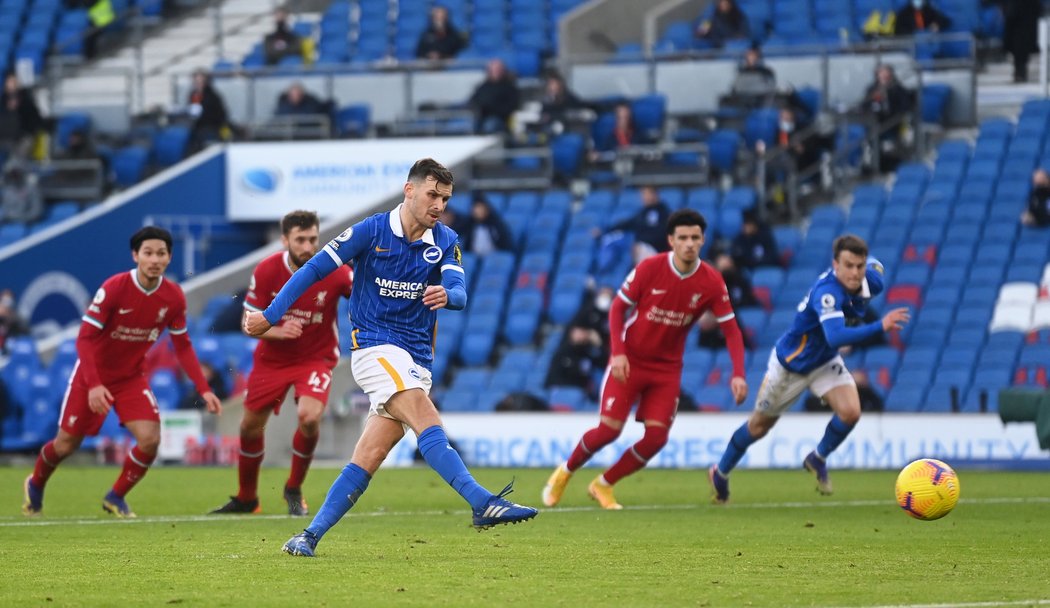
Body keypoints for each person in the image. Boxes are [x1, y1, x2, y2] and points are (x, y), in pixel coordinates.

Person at [243, 158, 537, 557]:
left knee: (369, 455)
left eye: (445, 198)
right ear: (409, 190)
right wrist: (271, 315)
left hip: (417, 356)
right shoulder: (370, 231)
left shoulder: (446, 239)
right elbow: (314, 269)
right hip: (374, 348)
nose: (438, 204)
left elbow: (461, 292)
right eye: (432, 194)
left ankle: (307, 536)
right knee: (425, 415)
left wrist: (448, 295)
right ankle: (482, 501)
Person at [542, 209, 749, 510]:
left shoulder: (712, 282)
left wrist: (739, 373)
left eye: (695, 237)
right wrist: (618, 354)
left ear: (703, 240)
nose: (689, 243)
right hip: (631, 360)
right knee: (609, 430)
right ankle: (565, 472)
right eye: (683, 238)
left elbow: (731, 330)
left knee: (656, 439)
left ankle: (604, 484)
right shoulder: (650, 268)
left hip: (667, 369)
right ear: (671, 240)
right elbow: (616, 309)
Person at [21, 227, 223, 518]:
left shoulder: (174, 297)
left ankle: (116, 496)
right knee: (66, 444)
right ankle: (36, 482)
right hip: (93, 376)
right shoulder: (115, 287)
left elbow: (183, 346)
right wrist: (93, 385)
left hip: (130, 378)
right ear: (135, 256)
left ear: (169, 257)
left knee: (150, 439)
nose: (155, 259)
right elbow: (85, 338)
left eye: (161, 253)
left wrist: (204, 388)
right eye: (148, 253)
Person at [708, 235, 909, 503]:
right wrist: (880, 326)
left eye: (859, 266)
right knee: (759, 426)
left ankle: (818, 457)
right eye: (848, 266)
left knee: (851, 412)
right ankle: (720, 473)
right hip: (791, 366)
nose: (854, 273)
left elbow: (875, 268)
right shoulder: (827, 293)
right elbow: (836, 337)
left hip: (824, 361)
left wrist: (868, 268)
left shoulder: (871, 280)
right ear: (835, 264)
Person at [210, 210, 353, 516]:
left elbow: (364, 294)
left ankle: (293, 488)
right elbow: (249, 323)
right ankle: (247, 498)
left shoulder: (335, 271)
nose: (308, 246)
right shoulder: (266, 271)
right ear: (285, 240)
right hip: (272, 361)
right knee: (248, 428)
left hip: (316, 358)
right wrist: (277, 330)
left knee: (310, 417)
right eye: (300, 240)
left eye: (313, 239)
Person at [602, 185, 673, 262]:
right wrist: (605, 230)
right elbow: (627, 224)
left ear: (655, 195)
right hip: (642, 251)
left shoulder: (662, 212)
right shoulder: (642, 212)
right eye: (643, 194)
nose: (644, 197)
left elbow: (661, 233)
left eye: (647, 194)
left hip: (656, 251)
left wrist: (641, 242)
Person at [545, 323, 607, 400]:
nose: (580, 335)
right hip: (562, 391)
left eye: (583, 331)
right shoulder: (563, 352)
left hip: (582, 394)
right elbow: (554, 378)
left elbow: (604, 363)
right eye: (578, 331)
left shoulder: (588, 351)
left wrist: (599, 344)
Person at [468, 58, 520, 135]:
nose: (496, 71)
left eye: (498, 69)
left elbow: (512, 106)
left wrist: (492, 108)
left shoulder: (509, 87)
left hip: (500, 118)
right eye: (494, 69)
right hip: (482, 116)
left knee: (490, 125)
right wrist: (477, 108)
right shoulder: (483, 86)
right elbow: (473, 100)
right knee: (470, 125)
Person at [0, 73, 44, 157]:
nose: (11, 84)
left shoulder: (26, 100)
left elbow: (35, 118)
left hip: (22, 137)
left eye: (14, 82)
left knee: (21, 151)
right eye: (9, 82)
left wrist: (20, 107)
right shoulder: (2, 100)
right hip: (3, 136)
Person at [996, 0, 1041, 82]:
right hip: (1019, 25)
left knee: (1021, 52)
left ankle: (1020, 72)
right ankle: (1020, 72)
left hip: (1022, 24)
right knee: (1020, 52)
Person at [186, 69, 231, 149]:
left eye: (200, 81)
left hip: (212, 125)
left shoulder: (212, 95)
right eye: (196, 82)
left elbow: (219, 113)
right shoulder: (193, 94)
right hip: (198, 125)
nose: (198, 84)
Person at [804, 369, 884, 412]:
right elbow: (811, 407)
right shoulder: (816, 401)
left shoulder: (861, 396)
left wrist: (865, 388)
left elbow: (878, 405)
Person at [0, 159, 43, 223]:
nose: (14, 176)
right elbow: (3, 209)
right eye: (12, 173)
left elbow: (36, 212)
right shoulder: (6, 190)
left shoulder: (32, 189)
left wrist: (20, 217)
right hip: (7, 223)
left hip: (25, 224)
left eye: (16, 173)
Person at [0, 288, 29, 354]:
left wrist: (10, 321)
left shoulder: (18, 321)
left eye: (9, 302)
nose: (6, 306)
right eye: (4, 301)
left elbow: (27, 337)